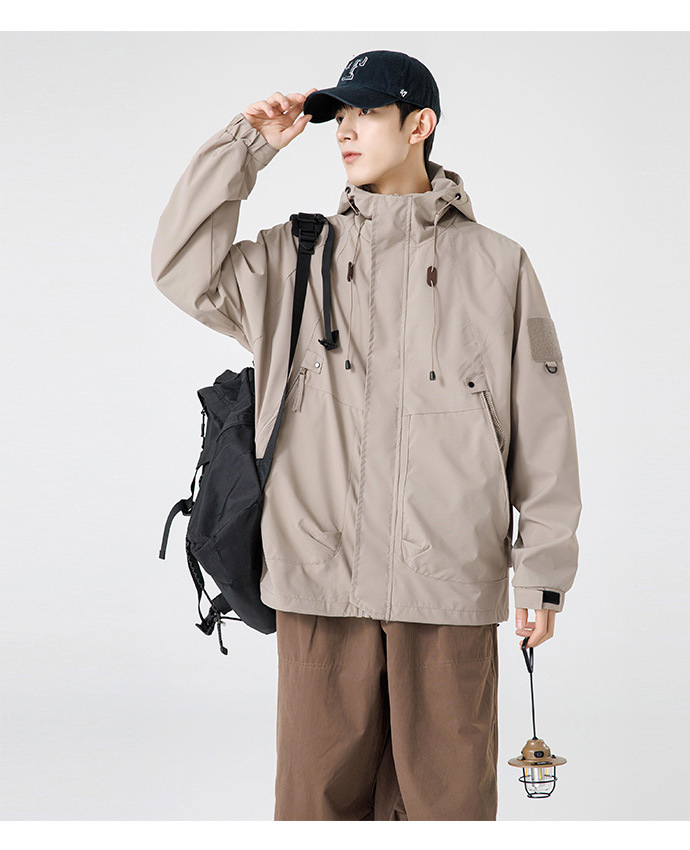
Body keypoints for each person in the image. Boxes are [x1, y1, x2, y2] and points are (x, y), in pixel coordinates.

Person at [151, 49, 582, 821]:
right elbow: (181, 267)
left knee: (449, 810)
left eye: (367, 113)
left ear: (420, 125)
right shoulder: (293, 258)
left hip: (447, 587)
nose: (345, 130)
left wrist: (542, 574)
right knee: (316, 809)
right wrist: (245, 148)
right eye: (339, 116)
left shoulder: (499, 267)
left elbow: (543, 431)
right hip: (320, 587)